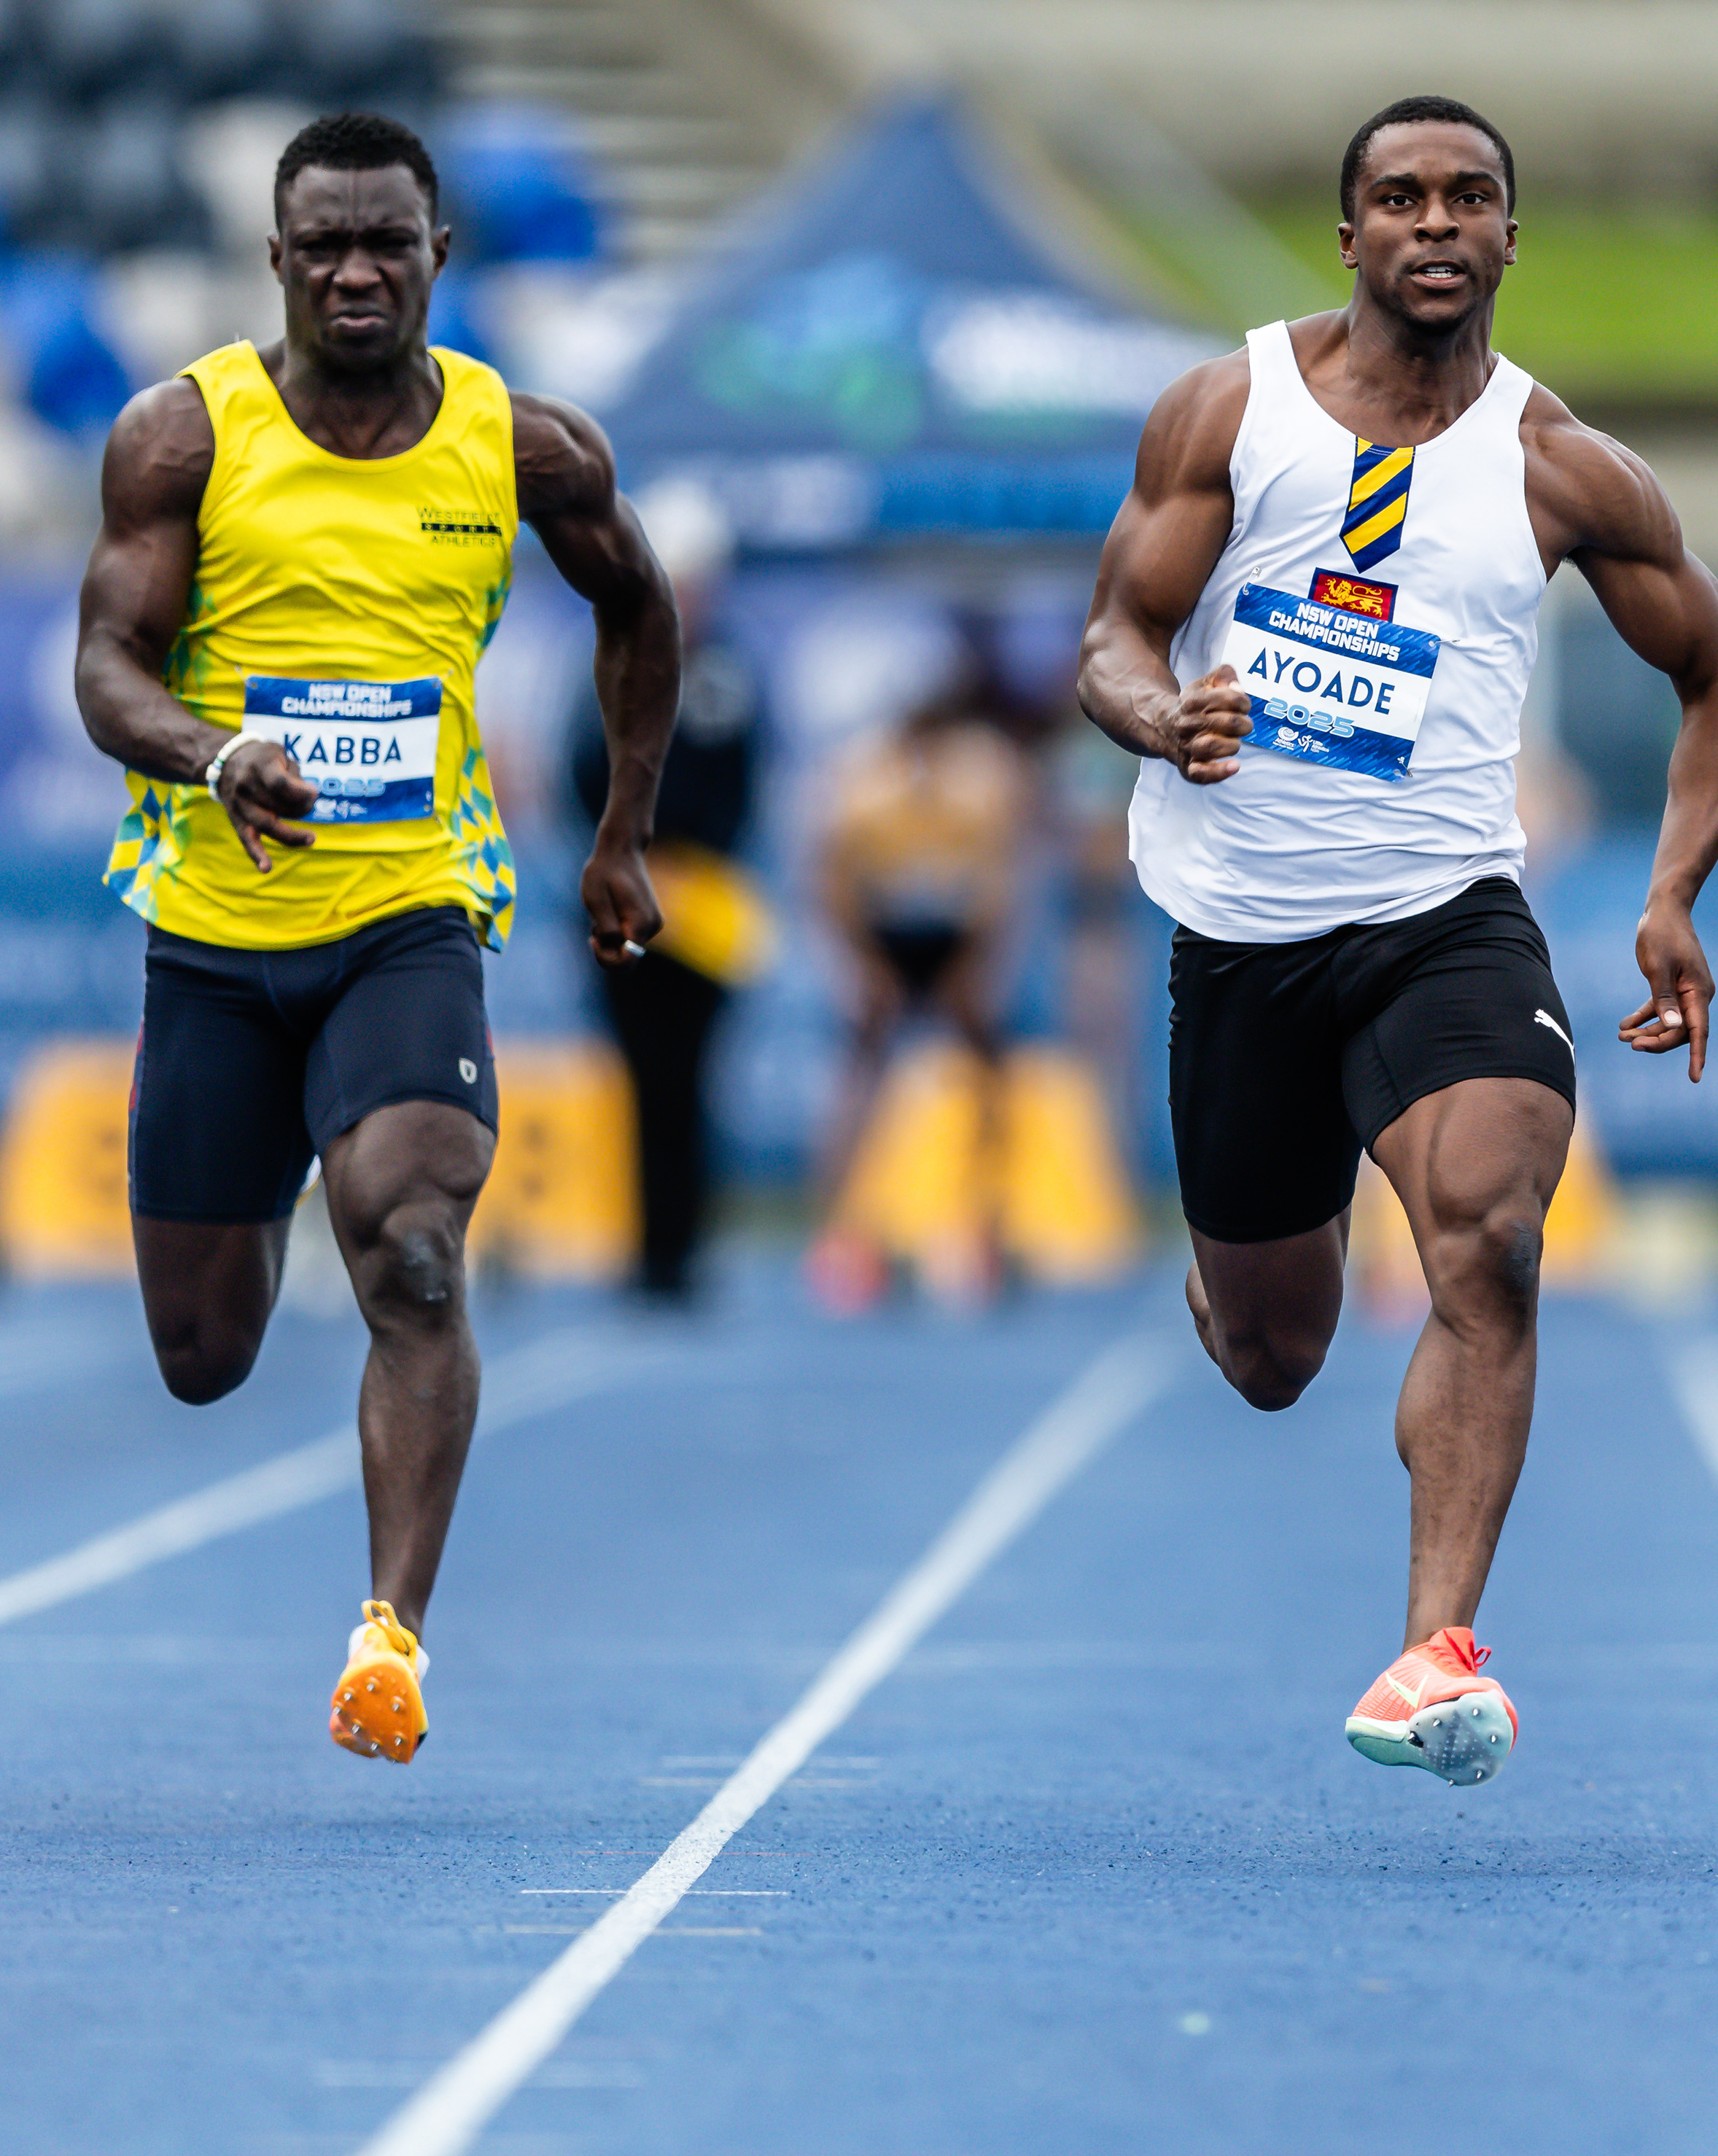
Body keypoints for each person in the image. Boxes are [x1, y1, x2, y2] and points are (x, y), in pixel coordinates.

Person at [1078, 94, 1718, 1783]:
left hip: (1446, 918)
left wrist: (1670, 893)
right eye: (1402, 198)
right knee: (1273, 1355)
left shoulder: (1560, 468)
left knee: (1492, 1239)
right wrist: (1159, 716)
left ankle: (1432, 1651)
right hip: (1244, 933)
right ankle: (1249, 1250)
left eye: (1470, 197)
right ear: (1350, 235)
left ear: (1511, 236)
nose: (1437, 222)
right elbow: (1113, 633)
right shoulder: (1228, 411)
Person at [74, 111, 673, 1760]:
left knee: (411, 1244)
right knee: (201, 1352)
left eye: (387, 244)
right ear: (275, 257)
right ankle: (266, 1167)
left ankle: (389, 1635)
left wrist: (622, 833)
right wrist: (218, 754)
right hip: (213, 929)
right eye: (325, 245)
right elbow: (107, 667)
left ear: (438, 257)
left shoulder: (522, 445)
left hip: (411, 913)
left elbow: (639, 605)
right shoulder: (181, 436)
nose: (356, 272)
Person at [569, 478, 769, 1303]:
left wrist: (681, 853)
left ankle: (683, 1246)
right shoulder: (616, 658)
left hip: (701, 901)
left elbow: (739, 788)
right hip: (628, 891)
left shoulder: (722, 674)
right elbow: (581, 771)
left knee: (691, 1080)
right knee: (640, 1080)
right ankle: (648, 1245)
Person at [803, 649, 1038, 1310]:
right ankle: (843, 1232)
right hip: (884, 931)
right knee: (861, 1070)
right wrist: (864, 966)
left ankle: (989, 1223)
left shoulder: (985, 770)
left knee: (989, 1071)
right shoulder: (859, 774)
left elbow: (1003, 878)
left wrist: (976, 967)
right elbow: (832, 879)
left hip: (956, 935)